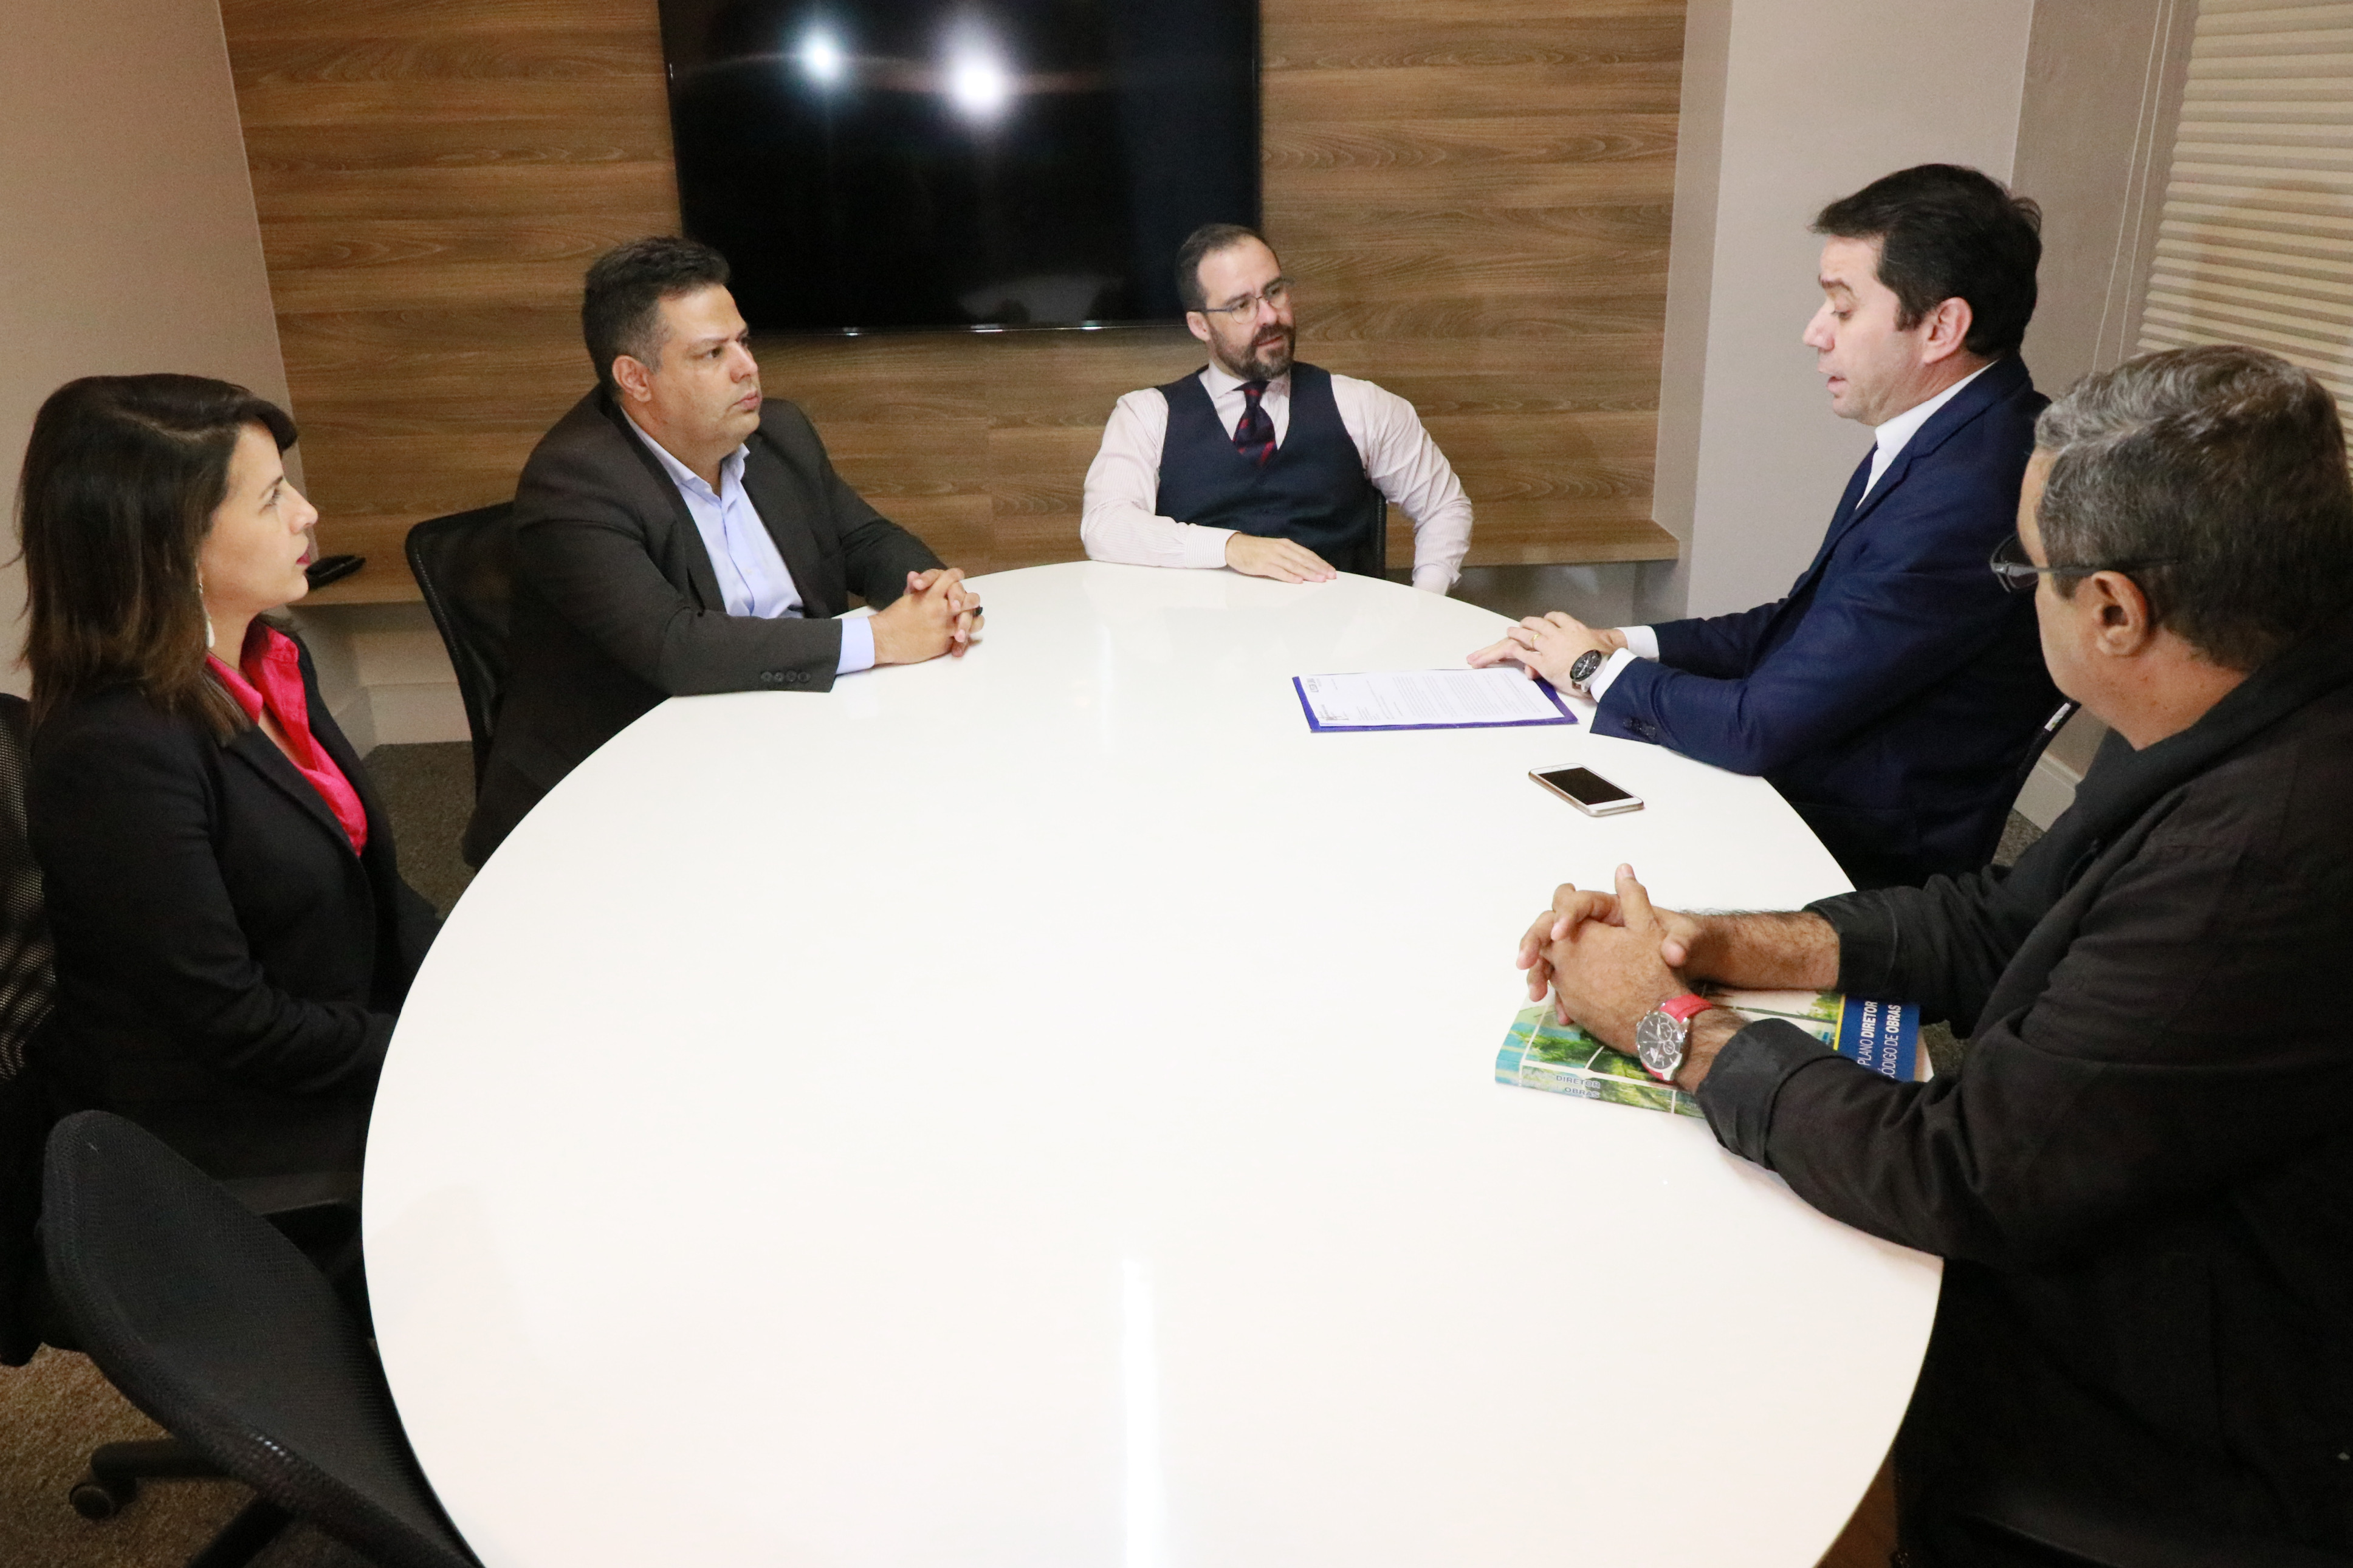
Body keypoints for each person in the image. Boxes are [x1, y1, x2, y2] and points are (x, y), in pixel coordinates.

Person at [1519, 345, 2353, 1565]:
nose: (2017, 594)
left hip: (2152, 1451)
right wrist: (1720, 940)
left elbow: (1965, 1173)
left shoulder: (2257, 855)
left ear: (2114, 610)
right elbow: (2002, 918)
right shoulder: (2227, 688)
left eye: (2026, 569)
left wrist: (1664, 1023)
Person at [1471, 165, 2061, 888]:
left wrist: (1592, 671)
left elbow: (1756, 728)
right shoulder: (1961, 435)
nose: (1813, 334)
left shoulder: (1969, 490)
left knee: (1516, 850)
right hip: (1812, 776)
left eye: (1841, 309)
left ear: (1940, 327)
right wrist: (1620, 643)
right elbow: (1799, 627)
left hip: (1842, 844)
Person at [19, 375, 441, 1182]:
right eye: (272, 497)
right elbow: (236, 1026)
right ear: (170, 543)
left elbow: (368, 878)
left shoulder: (269, 654)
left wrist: (465, 978)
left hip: (343, 1032)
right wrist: (435, 1042)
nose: (306, 513)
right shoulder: (113, 753)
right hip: (243, 1126)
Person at [464, 236, 982, 864]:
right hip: (622, 797)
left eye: (744, 341)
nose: (747, 368)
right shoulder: (575, 481)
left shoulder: (778, 433)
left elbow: (865, 539)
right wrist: (880, 639)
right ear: (635, 378)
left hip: (782, 733)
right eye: (712, 353)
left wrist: (931, 592)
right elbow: (675, 645)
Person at [1080, 222, 1473, 591]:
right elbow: (1105, 525)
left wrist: (1422, 602)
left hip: (1335, 633)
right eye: (1241, 306)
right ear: (1200, 325)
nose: (1269, 316)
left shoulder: (1363, 405)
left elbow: (1444, 508)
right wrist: (1230, 547)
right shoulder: (1147, 415)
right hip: (1199, 635)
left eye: (1275, 292)